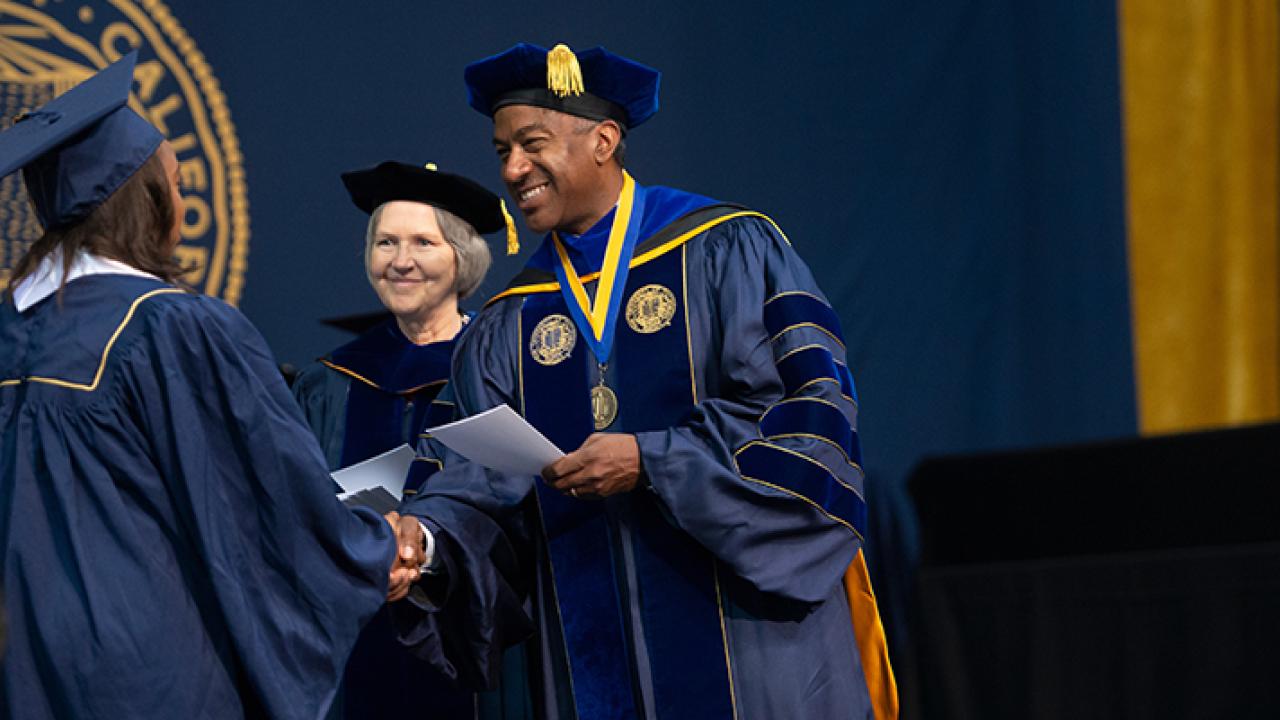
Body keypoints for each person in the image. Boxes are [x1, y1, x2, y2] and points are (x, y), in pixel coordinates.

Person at [395, 43, 899, 719]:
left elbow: (809, 417)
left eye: (532, 143)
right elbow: (474, 486)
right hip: (591, 670)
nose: (513, 170)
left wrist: (653, 459)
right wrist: (423, 543)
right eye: (501, 151)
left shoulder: (727, 250)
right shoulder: (509, 320)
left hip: (751, 653)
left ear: (604, 139)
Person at [0, 53, 423, 719]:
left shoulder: (11, 331)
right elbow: (266, 498)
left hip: (21, 667)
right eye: (173, 183)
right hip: (143, 668)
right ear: (147, 201)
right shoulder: (171, 327)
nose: (183, 201)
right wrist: (374, 547)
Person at [291, 161, 515, 719]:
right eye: (385, 242)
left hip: (476, 631)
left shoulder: (501, 368)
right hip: (358, 630)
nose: (401, 260)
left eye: (423, 242)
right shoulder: (331, 381)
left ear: (462, 258)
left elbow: (515, 502)